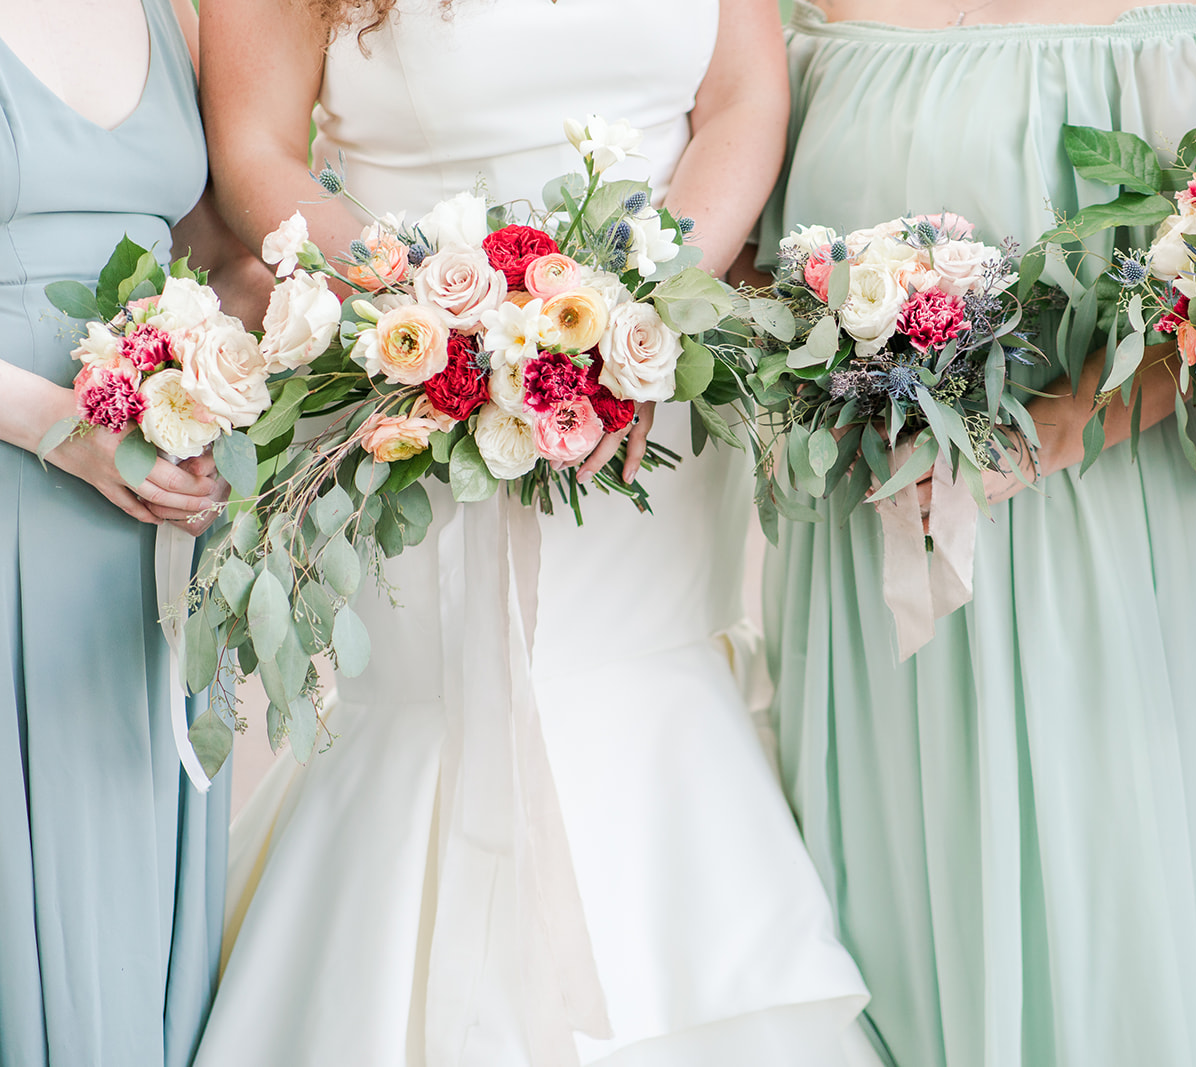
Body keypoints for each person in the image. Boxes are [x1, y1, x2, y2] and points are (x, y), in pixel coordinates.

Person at [193, 1, 876, 1064]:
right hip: (415, 380)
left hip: (645, 391)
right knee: (455, 704)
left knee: (644, 683)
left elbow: (742, 93)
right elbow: (253, 148)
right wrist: (431, 315)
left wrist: (644, 307)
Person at [756, 1, 1196, 1064]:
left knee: (1103, 912)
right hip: (863, 559)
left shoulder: (1163, 43)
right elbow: (748, 274)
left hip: (1092, 554)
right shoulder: (805, 36)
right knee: (889, 916)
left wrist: (1051, 430)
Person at [0, 0, 271, 1062]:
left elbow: (210, 252)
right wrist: (60, 429)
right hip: (31, 461)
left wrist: (258, 345)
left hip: (149, 499)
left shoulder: (178, 12)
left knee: (125, 872)